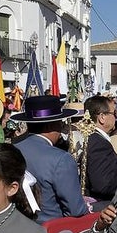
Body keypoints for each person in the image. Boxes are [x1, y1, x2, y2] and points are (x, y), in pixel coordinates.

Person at [11, 95, 89, 223]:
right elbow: (76, 211)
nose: (61, 128)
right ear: (51, 126)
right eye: (60, 123)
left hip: (16, 225)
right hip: (51, 232)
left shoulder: (11, 149)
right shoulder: (61, 159)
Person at [82, 95, 117, 207]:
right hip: (102, 207)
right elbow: (103, 185)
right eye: (113, 113)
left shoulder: (94, 139)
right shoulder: (99, 144)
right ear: (102, 117)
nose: (115, 117)